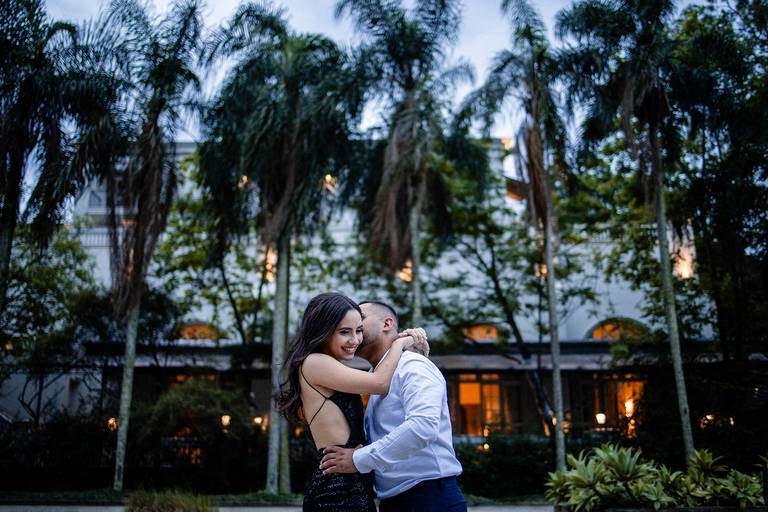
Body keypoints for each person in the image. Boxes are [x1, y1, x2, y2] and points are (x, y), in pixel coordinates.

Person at [276, 292, 427, 512]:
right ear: (323, 331)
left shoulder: (329, 365)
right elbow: (380, 382)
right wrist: (400, 342)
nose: (355, 340)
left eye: (358, 331)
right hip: (336, 492)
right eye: (344, 332)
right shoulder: (314, 362)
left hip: (353, 486)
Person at [320, 300, 467, 512]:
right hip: (395, 500)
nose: (354, 326)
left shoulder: (413, 365)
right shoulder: (374, 377)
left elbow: (423, 426)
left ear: (387, 324)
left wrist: (358, 459)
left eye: (361, 319)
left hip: (429, 497)